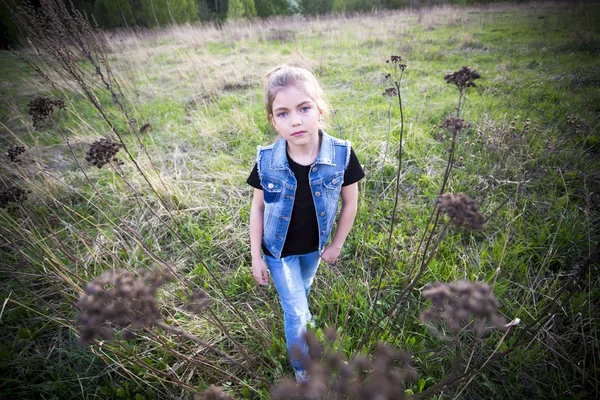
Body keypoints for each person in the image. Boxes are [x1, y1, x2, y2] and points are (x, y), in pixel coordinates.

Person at [247, 65, 364, 383]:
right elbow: (257, 208)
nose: (295, 120)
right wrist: (256, 256)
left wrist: (337, 244)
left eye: (304, 108)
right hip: (278, 250)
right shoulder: (267, 160)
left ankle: (299, 308)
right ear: (272, 120)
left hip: (314, 248)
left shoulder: (341, 155)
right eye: (282, 113)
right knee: (296, 311)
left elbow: (350, 202)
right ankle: (302, 370)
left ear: (319, 109)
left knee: (303, 291)